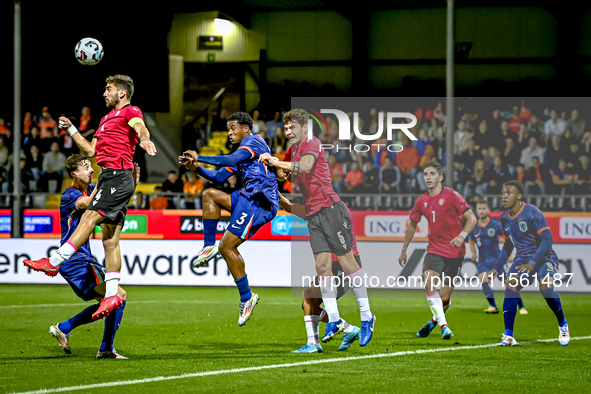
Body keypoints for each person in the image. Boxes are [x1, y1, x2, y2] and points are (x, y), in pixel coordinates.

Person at [24, 74, 157, 321]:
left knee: (89, 217)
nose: (104, 93)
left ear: (122, 94)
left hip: (117, 175)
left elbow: (141, 128)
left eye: (108, 89)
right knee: (110, 240)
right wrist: (72, 129)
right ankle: (111, 294)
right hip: (111, 177)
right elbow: (91, 150)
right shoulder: (105, 119)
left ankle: (54, 261)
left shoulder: (130, 111)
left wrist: (146, 140)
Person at [258, 108, 376, 347]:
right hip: (313, 214)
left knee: (346, 263)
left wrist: (275, 161)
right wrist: (282, 175)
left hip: (330, 208)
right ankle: (333, 319)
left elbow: (306, 167)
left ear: (305, 128)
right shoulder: (294, 151)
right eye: (287, 127)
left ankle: (366, 316)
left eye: (293, 127)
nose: (289, 131)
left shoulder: (312, 142)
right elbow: (298, 175)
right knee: (322, 266)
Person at [179, 111, 278, 327]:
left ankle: (247, 297)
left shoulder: (255, 141)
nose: (230, 132)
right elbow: (218, 176)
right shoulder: (242, 153)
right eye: (228, 128)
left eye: (233, 128)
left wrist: (200, 156)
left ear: (246, 128)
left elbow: (232, 159)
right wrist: (196, 168)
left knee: (227, 247)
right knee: (209, 195)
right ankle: (208, 248)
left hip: (259, 200)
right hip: (246, 198)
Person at [48, 154, 139, 359]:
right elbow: (89, 202)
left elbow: (113, 200)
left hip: (83, 258)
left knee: (113, 299)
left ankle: (66, 328)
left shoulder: (90, 189)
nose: (91, 170)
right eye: (86, 167)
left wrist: (131, 181)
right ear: (74, 174)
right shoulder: (70, 195)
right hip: (74, 260)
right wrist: (108, 178)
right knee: (118, 297)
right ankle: (104, 348)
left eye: (91, 166)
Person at [398, 161, 477, 340]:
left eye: (432, 174)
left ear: (440, 177)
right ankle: (444, 326)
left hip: (455, 252)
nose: (428, 178)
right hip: (434, 250)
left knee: (444, 299)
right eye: (425, 174)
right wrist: (404, 250)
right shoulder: (421, 201)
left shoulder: (452, 196)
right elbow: (412, 225)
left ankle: (434, 321)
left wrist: (462, 236)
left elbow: (472, 218)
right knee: (429, 282)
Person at [486, 180, 569, 346]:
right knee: (511, 286)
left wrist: (533, 262)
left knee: (546, 289)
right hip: (522, 258)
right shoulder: (504, 218)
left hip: (544, 256)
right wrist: (496, 267)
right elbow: (509, 245)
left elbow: (547, 240)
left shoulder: (532, 212)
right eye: (503, 193)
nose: (504, 196)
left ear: (518, 196)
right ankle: (508, 336)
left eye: (508, 193)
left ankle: (562, 324)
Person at [278, 192, 361, 353]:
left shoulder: (334, 210)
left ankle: (315, 343)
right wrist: (274, 188)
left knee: (308, 296)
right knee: (309, 300)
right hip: (333, 267)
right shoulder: (323, 208)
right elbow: (289, 207)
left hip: (344, 266)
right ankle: (348, 329)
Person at [468, 201, 527, 314]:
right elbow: (471, 243)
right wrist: (473, 253)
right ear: (476, 211)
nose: (481, 211)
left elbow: (508, 238)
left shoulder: (496, 225)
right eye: (479, 208)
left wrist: (508, 254)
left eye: (484, 208)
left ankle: (522, 307)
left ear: (488, 210)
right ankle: (493, 306)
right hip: (483, 261)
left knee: (510, 283)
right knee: (483, 279)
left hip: (498, 261)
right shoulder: (474, 227)